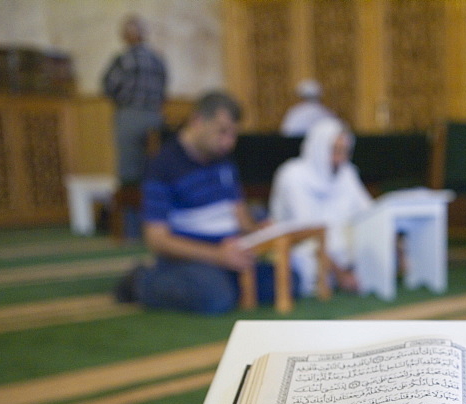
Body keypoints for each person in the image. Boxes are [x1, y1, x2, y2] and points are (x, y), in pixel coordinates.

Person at [115, 91, 278, 314]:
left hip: (230, 254)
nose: (229, 142)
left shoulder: (224, 162)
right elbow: (157, 240)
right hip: (191, 259)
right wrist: (217, 256)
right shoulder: (163, 165)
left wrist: (262, 231)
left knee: (288, 281)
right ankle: (143, 281)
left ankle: (228, 284)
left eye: (233, 134)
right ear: (198, 121)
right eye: (222, 132)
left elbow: (241, 219)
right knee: (215, 298)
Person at [269, 116, 373, 293]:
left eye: (344, 151)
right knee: (304, 264)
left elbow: (369, 212)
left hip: (341, 250)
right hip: (301, 249)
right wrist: (341, 274)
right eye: (335, 151)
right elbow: (308, 233)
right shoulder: (292, 175)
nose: (340, 159)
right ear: (319, 148)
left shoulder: (346, 173)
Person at [102, 14, 167, 185]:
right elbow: (164, 88)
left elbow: (108, 86)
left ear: (124, 36)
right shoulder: (158, 60)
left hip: (129, 116)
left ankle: (131, 211)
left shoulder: (123, 60)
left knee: (129, 170)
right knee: (155, 166)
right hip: (155, 116)